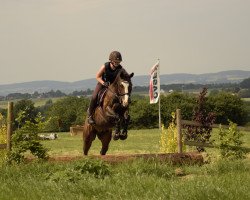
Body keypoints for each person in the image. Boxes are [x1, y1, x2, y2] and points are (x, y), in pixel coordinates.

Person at [87, 51, 124, 124]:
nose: (117, 63)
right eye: (116, 61)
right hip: (102, 83)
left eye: (118, 61)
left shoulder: (120, 68)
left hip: (113, 86)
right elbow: (97, 76)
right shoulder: (105, 66)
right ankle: (90, 115)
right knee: (94, 97)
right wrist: (104, 83)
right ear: (111, 60)